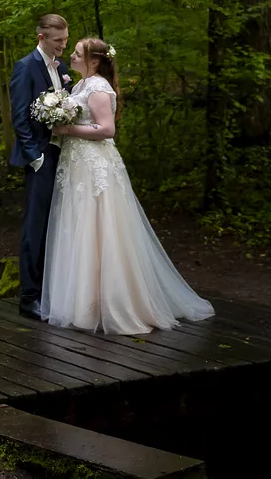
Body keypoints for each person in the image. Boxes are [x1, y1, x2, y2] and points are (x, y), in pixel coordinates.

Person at [39, 37, 214, 335]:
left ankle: (113, 303)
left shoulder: (98, 88)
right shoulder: (80, 86)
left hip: (95, 166)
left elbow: (107, 129)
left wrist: (66, 128)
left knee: (101, 230)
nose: (72, 55)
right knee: (80, 229)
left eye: (78, 52)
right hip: (77, 165)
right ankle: (84, 303)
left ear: (94, 61)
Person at [8, 13, 72, 320]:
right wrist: (36, 157)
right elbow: (19, 117)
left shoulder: (63, 69)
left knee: (55, 225)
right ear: (41, 38)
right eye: (58, 40)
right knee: (34, 227)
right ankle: (28, 298)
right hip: (41, 160)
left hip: (63, 157)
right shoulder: (25, 67)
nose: (64, 44)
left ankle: (48, 291)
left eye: (66, 39)